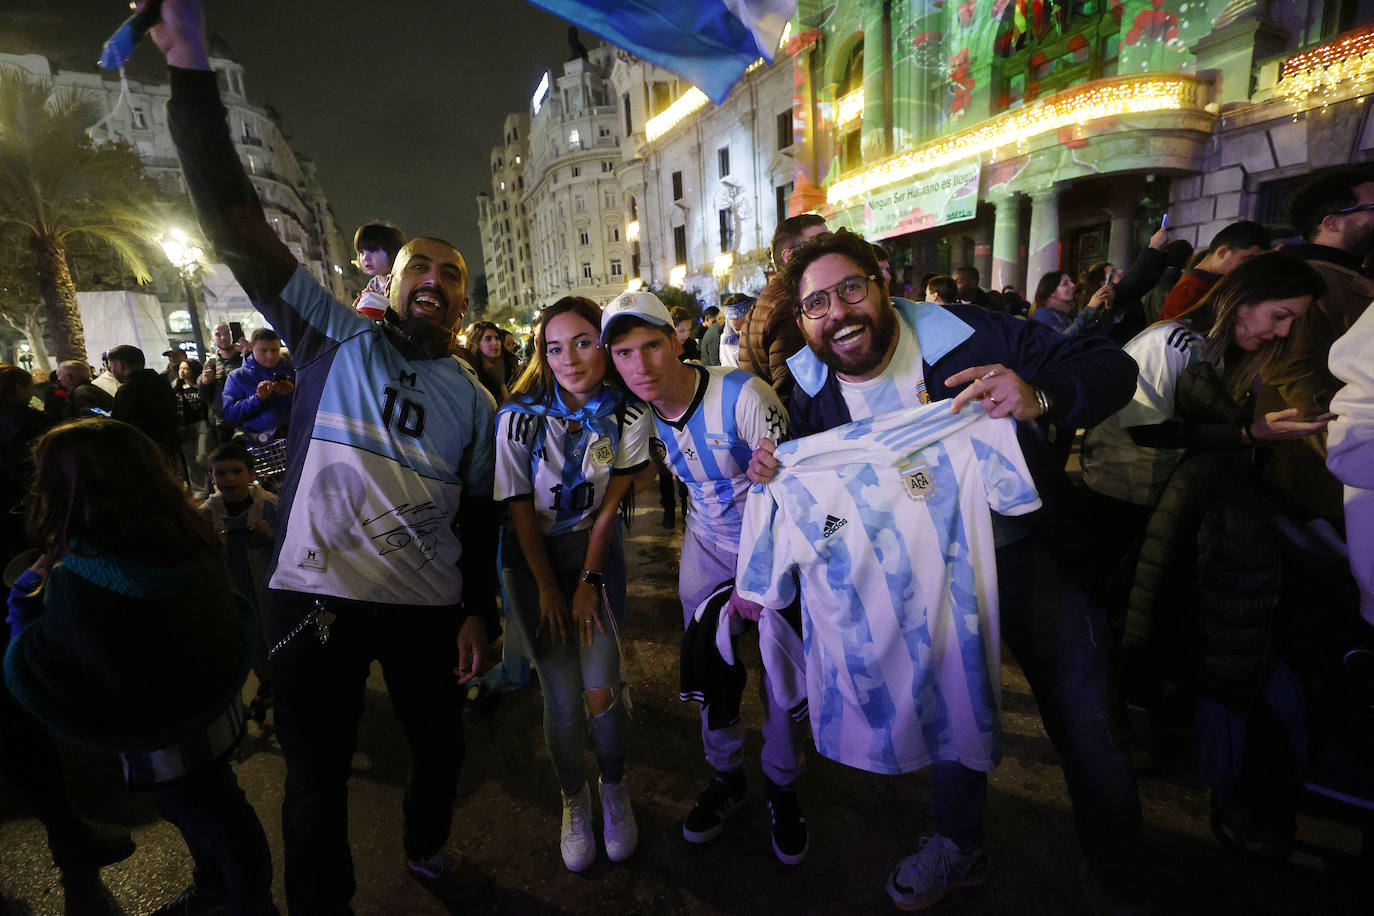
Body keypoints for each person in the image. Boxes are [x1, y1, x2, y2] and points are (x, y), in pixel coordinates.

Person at [154, 3, 499, 910]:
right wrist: (189, 71)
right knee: (315, 782)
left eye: (453, 274)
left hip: (425, 614)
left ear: (464, 299)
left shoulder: (477, 397)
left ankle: (426, 849)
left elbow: (479, 513)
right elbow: (239, 226)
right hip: (314, 605)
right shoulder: (330, 336)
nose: (435, 279)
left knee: (444, 752)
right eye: (421, 265)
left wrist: (482, 614)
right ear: (389, 280)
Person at [746, 229, 1144, 910]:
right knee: (950, 711)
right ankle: (961, 847)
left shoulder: (975, 337)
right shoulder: (812, 395)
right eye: (816, 303)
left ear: (882, 280)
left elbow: (1110, 364)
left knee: (1087, 726)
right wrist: (777, 474)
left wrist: (1037, 396)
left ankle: (1118, 875)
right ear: (801, 318)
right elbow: (821, 492)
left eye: (850, 288)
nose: (837, 312)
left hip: (1029, 558)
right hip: (922, 579)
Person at [5, 418, 275, 915]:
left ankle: (251, 905)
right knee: (213, 807)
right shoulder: (186, 534)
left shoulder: (80, 581)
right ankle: (218, 886)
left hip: (163, 738)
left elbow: (43, 667)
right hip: (212, 716)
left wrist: (22, 607)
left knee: (215, 819)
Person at [601, 290, 808, 866]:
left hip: (774, 546)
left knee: (780, 668)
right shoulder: (637, 414)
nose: (639, 366)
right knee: (709, 666)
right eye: (623, 353)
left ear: (677, 341)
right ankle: (727, 778)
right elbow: (624, 478)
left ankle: (783, 784)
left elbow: (792, 492)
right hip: (706, 548)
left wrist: (756, 575)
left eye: (651, 346)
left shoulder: (742, 394)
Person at [1079, 253, 1331, 618]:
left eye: (1292, 322)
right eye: (1281, 316)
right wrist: (1248, 434)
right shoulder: (1169, 341)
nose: (1283, 332)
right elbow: (1148, 430)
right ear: (1243, 300)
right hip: (1122, 494)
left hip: (1166, 496)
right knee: (1112, 600)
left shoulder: (1218, 351)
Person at [495, 296, 651, 872]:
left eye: (583, 342)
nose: (569, 359)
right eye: (554, 348)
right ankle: (574, 800)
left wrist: (586, 578)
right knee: (561, 699)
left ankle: (614, 789)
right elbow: (517, 511)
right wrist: (550, 589)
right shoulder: (517, 417)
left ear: (605, 344)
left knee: (600, 689)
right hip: (530, 559)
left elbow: (610, 509)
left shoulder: (630, 413)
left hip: (593, 551)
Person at [1257, 167, 1374, 523]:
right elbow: (1293, 372)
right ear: (1333, 222)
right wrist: (1342, 440)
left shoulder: (1346, 275)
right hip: (1320, 469)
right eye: (1372, 207)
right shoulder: (1307, 278)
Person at [201, 442, 280, 723]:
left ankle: (287, 674)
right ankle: (267, 678)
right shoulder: (207, 514)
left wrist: (271, 535)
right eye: (221, 473)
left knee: (277, 627)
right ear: (211, 477)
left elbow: (287, 543)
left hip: (268, 582)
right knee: (252, 634)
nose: (229, 479)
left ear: (251, 475)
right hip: (235, 584)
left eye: (236, 471)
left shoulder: (269, 505)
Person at [737, 214, 828, 396]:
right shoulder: (789, 305)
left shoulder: (772, 297)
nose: (829, 249)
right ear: (790, 255)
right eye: (820, 242)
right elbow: (793, 388)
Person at [1159, 220, 1270, 320]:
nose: (1253, 267)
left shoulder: (1216, 284)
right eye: (1248, 259)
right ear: (1222, 252)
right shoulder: (1189, 290)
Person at [107, 344, 183, 472]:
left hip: (144, 454)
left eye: (111, 365)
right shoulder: (162, 382)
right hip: (170, 450)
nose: (111, 370)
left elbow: (122, 426)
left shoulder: (127, 390)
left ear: (120, 365)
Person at [221, 328, 295, 444]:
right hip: (260, 444)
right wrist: (257, 399)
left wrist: (292, 393)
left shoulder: (292, 371)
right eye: (264, 350)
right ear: (251, 347)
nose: (270, 356)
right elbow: (230, 414)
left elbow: (312, 403)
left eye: (275, 350)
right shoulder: (237, 377)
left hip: (296, 437)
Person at [199, 322, 245, 443]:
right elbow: (205, 397)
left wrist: (246, 351)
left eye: (227, 333)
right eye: (218, 334)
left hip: (247, 418)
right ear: (213, 339)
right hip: (223, 422)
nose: (223, 337)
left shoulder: (245, 358)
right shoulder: (210, 364)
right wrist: (205, 383)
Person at [1028, 270, 1114, 335]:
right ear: (1051, 292)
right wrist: (1090, 308)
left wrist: (1108, 307)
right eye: (1065, 284)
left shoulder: (1067, 313)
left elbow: (1097, 334)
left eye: (1071, 282)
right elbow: (1064, 340)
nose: (1073, 285)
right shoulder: (1043, 314)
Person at [174, 358, 212, 496]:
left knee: (203, 456)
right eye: (180, 369)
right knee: (191, 459)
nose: (182, 372)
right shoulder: (176, 388)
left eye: (186, 368)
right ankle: (199, 491)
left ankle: (212, 484)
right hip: (185, 426)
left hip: (202, 423)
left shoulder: (201, 386)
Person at [353, 222, 406, 320]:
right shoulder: (374, 283)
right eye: (361, 252)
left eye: (373, 250)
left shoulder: (402, 281)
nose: (365, 258)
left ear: (393, 251)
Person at [468, 320, 520, 402]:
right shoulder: (471, 372)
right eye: (488, 339)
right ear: (477, 343)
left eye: (497, 338)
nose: (495, 343)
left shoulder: (511, 365)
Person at [46, 360, 115, 419]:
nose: (59, 379)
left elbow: (93, 422)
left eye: (60, 376)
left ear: (69, 377)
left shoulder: (82, 393)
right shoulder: (88, 389)